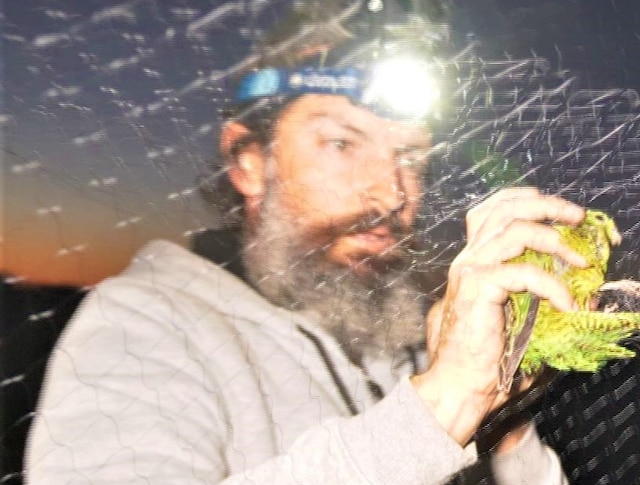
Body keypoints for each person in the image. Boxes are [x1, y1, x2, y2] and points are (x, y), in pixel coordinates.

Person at [26, 2, 587, 483]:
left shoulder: (416, 341)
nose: (390, 192)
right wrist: (442, 404)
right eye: (342, 143)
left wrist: (502, 423)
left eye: (411, 158)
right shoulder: (141, 327)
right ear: (249, 164)